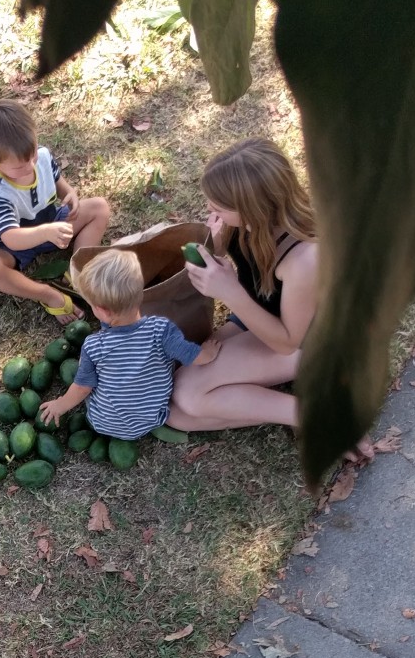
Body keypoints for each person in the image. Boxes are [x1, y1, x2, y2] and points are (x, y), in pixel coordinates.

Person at [167, 137, 374, 459]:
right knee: (176, 412)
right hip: (266, 314)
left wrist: (230, 292)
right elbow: (250, 276)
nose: (211, 211)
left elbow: (287, 342)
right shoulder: (250, 224)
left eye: (219, 207)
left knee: (189, 394)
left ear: (253, 208)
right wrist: (219, 244)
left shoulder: (305, 258)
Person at [38, 249, 220, 438]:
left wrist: (59, 405)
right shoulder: (161, 330)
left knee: (88, 378)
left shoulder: (93, 346)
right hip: (150, 420)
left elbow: (83, 388)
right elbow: (192, 355)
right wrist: (208, 353)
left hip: (102, 422)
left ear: (102, 311)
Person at [0, 99, 110, 325]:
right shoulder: (0, 193)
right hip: (11, 246)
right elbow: (11, 238)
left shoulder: (41, 156)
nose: (30, 166)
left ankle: (77, 272)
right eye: (19, 167)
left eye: (32, 155)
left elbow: (56, 180)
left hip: (51, 223)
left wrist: (70, 193)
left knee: (99, 207)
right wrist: (45, 232)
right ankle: (49, 295)